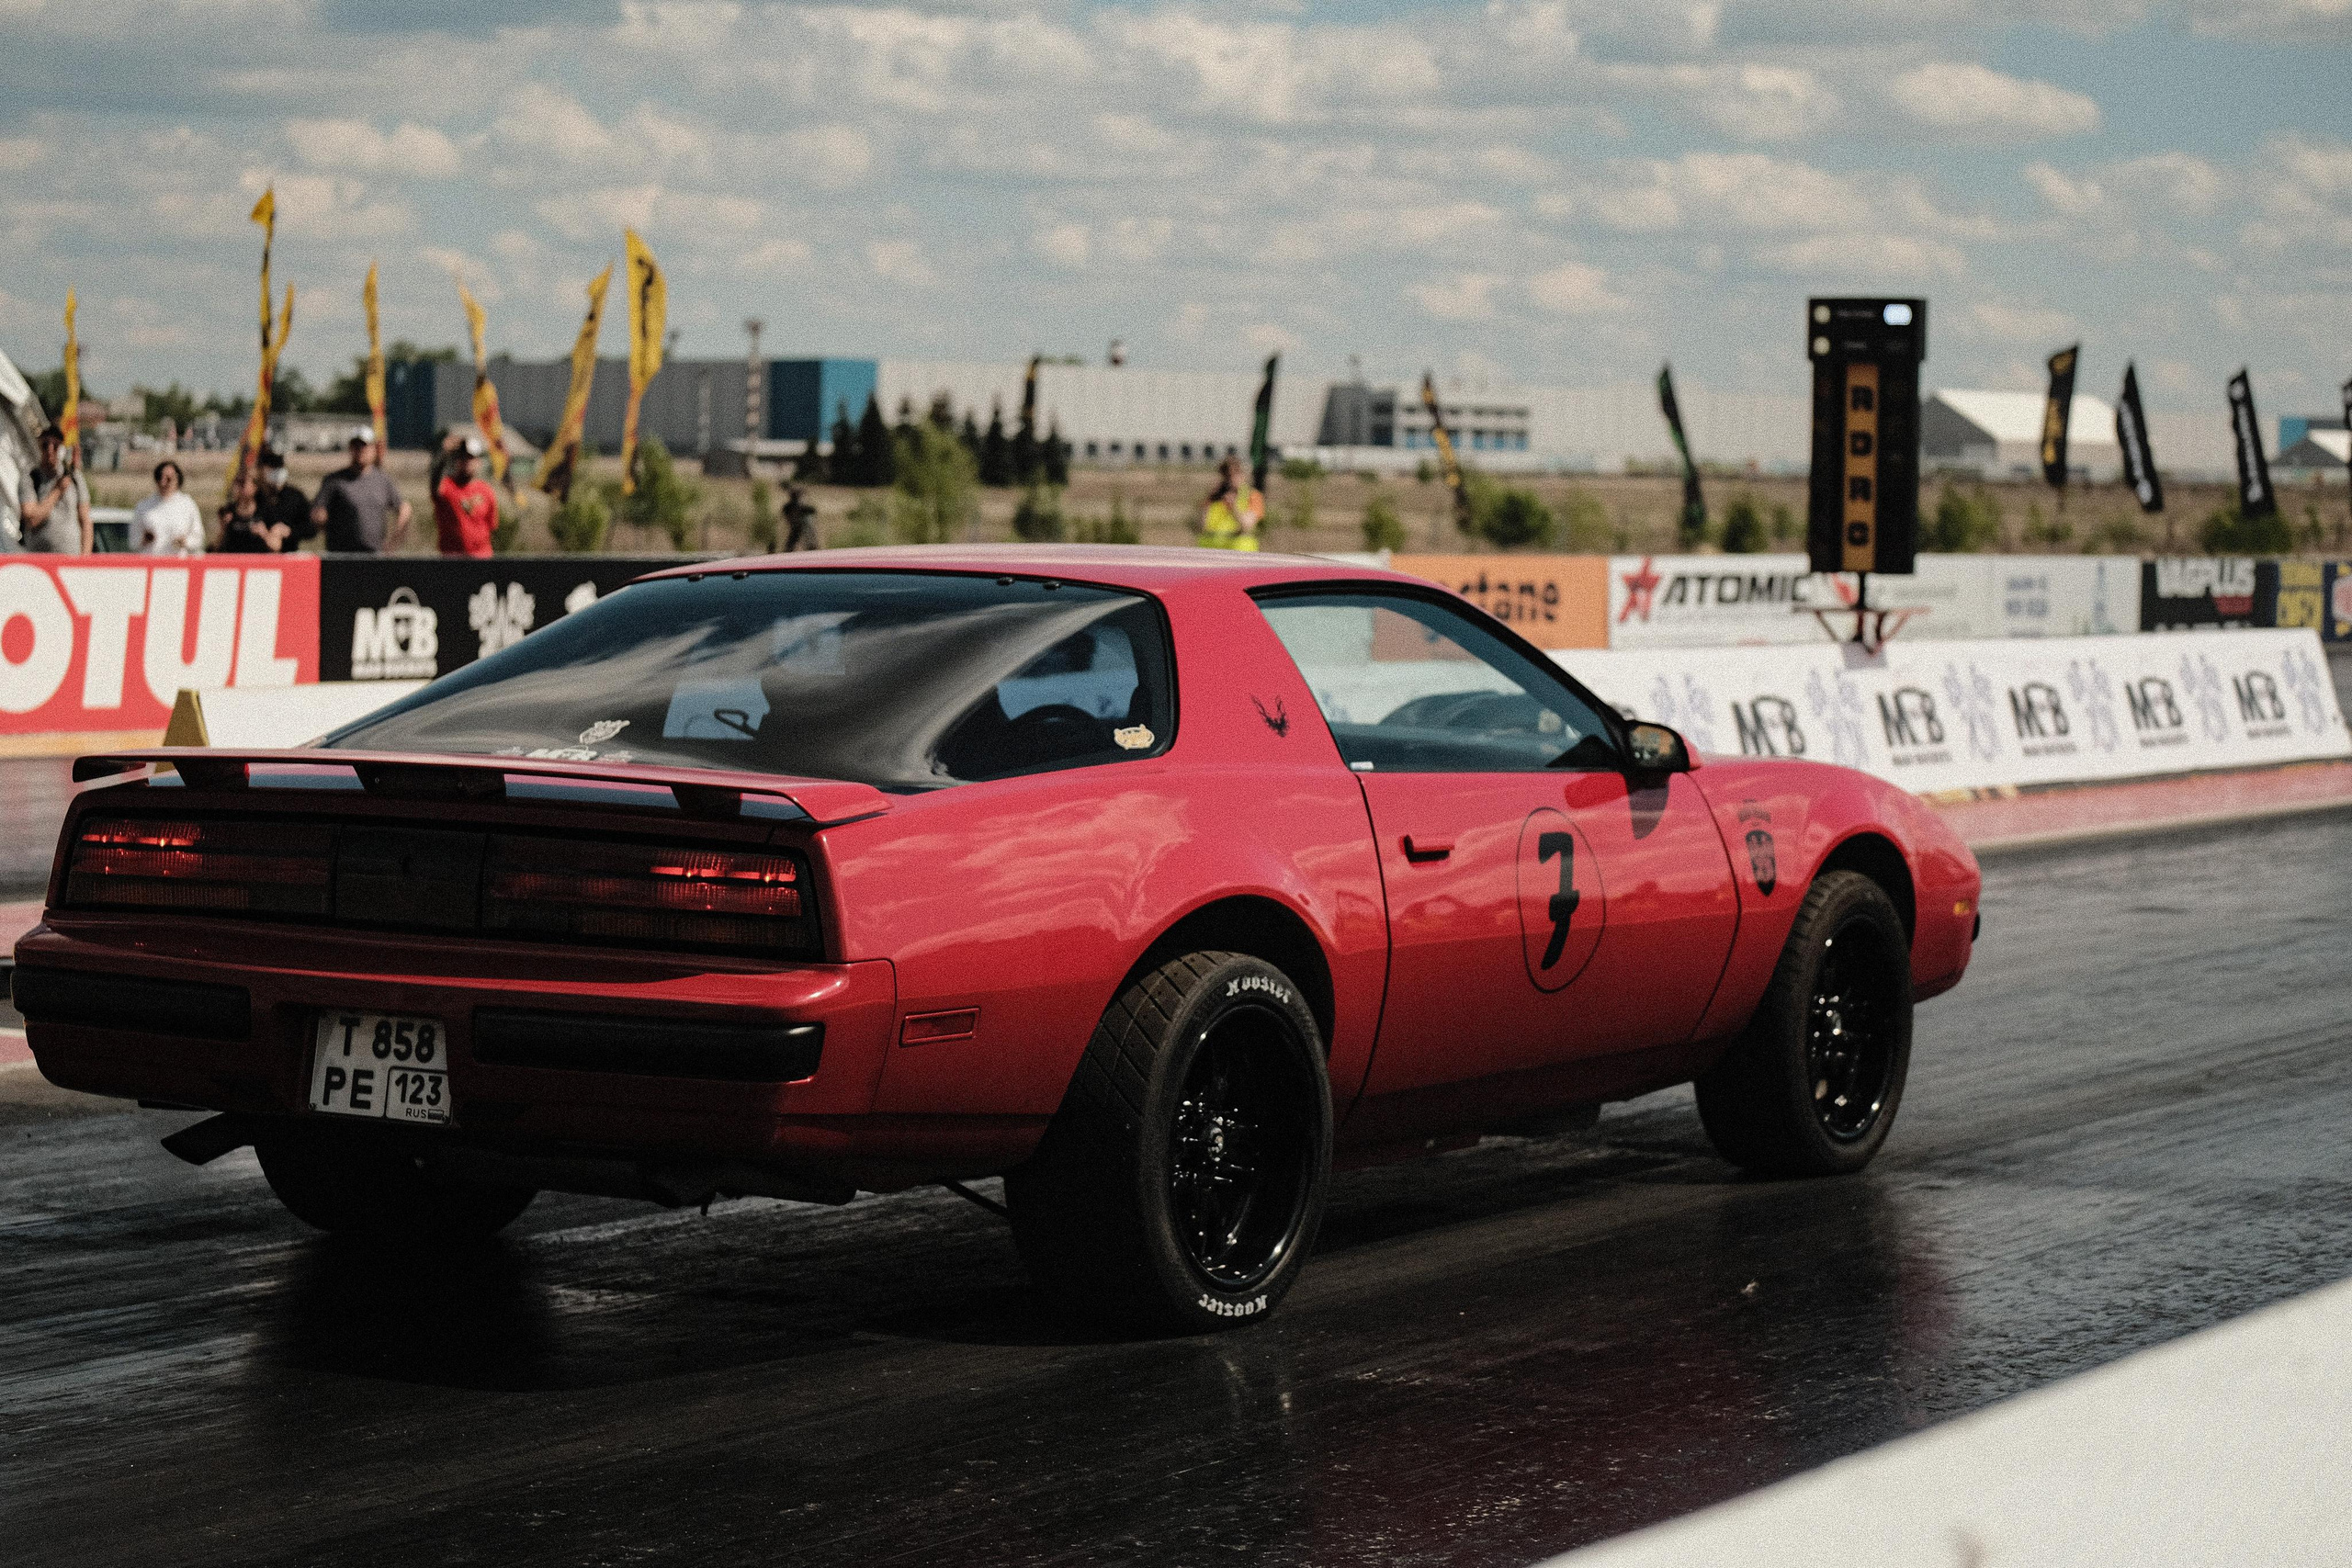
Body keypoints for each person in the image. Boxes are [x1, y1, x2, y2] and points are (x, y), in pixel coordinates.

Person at [311, 426, 410, 553]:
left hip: (373, 557)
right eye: (356, 446)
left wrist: (392, 544)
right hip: (341, 556)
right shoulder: (335, 480)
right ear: (350, 449)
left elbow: (404, 509)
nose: (360, 450)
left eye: (364, 446)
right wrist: (321, 519)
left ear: (374, 449)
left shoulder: (383, 481)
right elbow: (317, 512)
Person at [18, 425, 93, 554]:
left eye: (56, 446)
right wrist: (58, 490)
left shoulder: (74, 477)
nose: (50, 450)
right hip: (40, 559)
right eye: (46, 445)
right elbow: (32, 519)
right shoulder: (31, 478)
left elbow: (85, 520)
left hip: (71, 558)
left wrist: (85, 558)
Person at [433, 434, 498, 558]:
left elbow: (492, 527)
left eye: (470, 458)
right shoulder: (447, 487)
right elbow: (435, 484)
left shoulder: (486, 491)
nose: (466, 462)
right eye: (462, 457)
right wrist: (444, 455)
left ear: (478, 462)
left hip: (480, 558)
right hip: (453, 560)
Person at [132, 458, 207, 555]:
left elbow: (198, 538)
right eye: (160, 477)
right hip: (152, 562)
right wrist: (144, 539)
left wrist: (184, 542)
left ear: (177, 479)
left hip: (177, 564)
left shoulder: (187, 504)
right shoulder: (144, 506)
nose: (163, 482)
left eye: (168, 478)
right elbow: (133, 541)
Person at [1196, 454, 1263, 551]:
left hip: (1240, 555)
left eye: (1235, 473)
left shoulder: (1252, 496)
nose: (1230, 478)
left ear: (1243, 475)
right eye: (1226, 474)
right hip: (1211, 554)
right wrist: (1209, 502)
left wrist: (1234, 508)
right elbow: (1200, 527)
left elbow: (1247, 526)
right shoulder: (1214, 497)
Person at [254, 447, 314, 548]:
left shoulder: (295, 497)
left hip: (287, 554)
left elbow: (310, 529)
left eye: (277, 467)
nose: (274, 471)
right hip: (257, 556)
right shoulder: (255, 497)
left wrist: (289, 531)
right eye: (270, 467)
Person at [213, 474, 277, 554]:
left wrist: (264, 533)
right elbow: (216, 547)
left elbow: (276, 547)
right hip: (233, 559)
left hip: (257, 559)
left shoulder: (265, 511)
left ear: (255, 487)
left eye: (243, 483)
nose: (239, 488)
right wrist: (223, 529)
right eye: (236, 483)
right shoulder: (227, 512)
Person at [782, 484, 817, 551]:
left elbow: (812, 510)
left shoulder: (800, 508)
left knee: (808, 543)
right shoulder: (791, 507)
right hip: (798, 528)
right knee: (792, 544)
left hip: (800, 528)